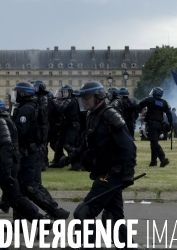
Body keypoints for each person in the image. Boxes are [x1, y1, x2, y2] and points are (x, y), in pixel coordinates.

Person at [56, 81, 137, 246]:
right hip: (104, 171)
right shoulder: (92, 115)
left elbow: (129, 146)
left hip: (112, 174)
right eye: (83, 98)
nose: (85, 101)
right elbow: (87, 143)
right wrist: (71, 157)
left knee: (83, 213)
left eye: (88, 97)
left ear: (98, 96)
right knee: (115, 218)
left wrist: (128, 172)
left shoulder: (110, 115)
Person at [0, 97, 47, 222]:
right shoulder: (1, 121)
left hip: (0, 168)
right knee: (16, 199)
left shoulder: (0, 122)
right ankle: (42, 222)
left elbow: (6, 147)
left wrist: (6, 170)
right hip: (6, 167)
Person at [12, 81, 70, 220]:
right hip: (33, 151)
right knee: (21, 188)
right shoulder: (33, 106)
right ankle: (20, 221)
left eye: (17, 92)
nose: (15, 95)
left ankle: (54, 211)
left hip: (27, 153)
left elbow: (20, 130)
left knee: (27, 187)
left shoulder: (26, 109)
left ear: (22, 94)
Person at [138, 87, 172, 167]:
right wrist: (171, 124)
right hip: (160, 124)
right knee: (153, 142)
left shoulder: (150, 100)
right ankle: (153, 161)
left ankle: (163, 159)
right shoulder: (164, 102)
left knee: (154, 143)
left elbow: (140, 105)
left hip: (152, 124)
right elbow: (169, 113)